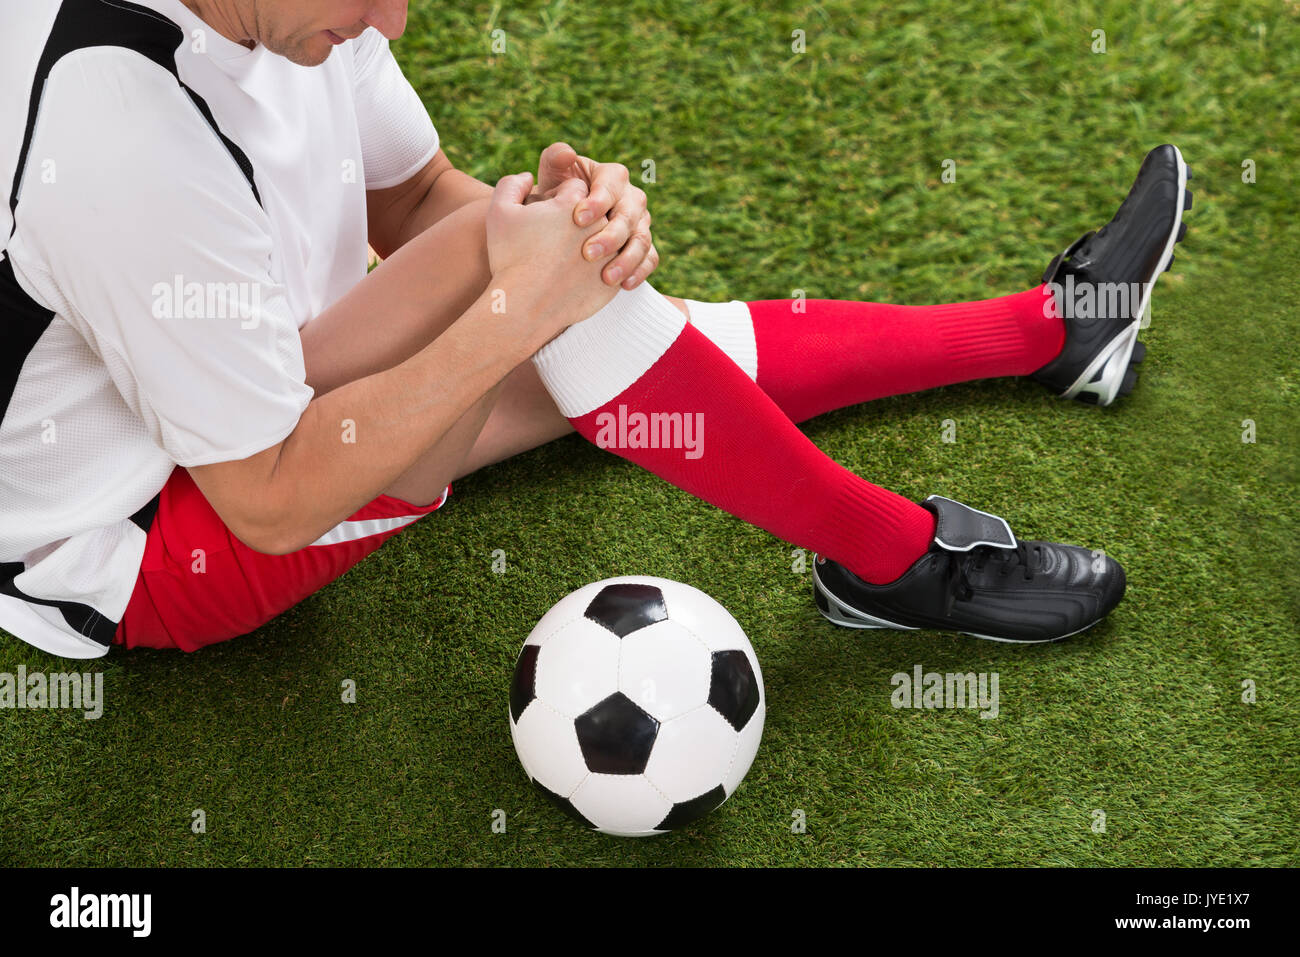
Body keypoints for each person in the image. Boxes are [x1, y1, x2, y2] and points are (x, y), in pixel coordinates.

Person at [0, 0, 1190, 659]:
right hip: (161, 527)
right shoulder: (117, 131)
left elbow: (417, 199)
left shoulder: (300, 12)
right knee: (523, 278)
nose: (396, 20)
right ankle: (903, 558)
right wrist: (522, 292)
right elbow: (267, 496)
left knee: (542, 261)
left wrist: (580, 238)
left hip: (266, 378)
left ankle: (1043, 339)